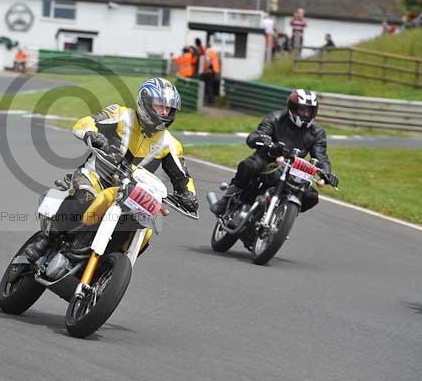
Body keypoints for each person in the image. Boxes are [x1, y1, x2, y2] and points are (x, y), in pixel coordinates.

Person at [23, 78, 199, 262]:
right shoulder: (121, 114)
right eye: (159, 106)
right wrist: (92, 133)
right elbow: (86, 121)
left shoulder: (170, 144)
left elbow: (183, 177)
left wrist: (189, 196)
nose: (164, 112)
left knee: (145, 231)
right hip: (97, 176)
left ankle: (109, 268)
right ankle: (46, 239)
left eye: (168, 109)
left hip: (133, 194)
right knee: (85, 196)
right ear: (145, 102)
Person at [210, 89, 339, 216]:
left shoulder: (317, 132)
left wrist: (326, 173)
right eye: (302, 109)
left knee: (311, 196)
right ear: (293, 108)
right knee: (250, 165)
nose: (306, 114)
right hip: (267, 159)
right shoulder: (275, 118)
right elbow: (255, 136)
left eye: (309, 110)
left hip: (292, 170)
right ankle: (227, 199)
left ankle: (281, 216)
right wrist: (263, 139)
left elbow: (321, 156)